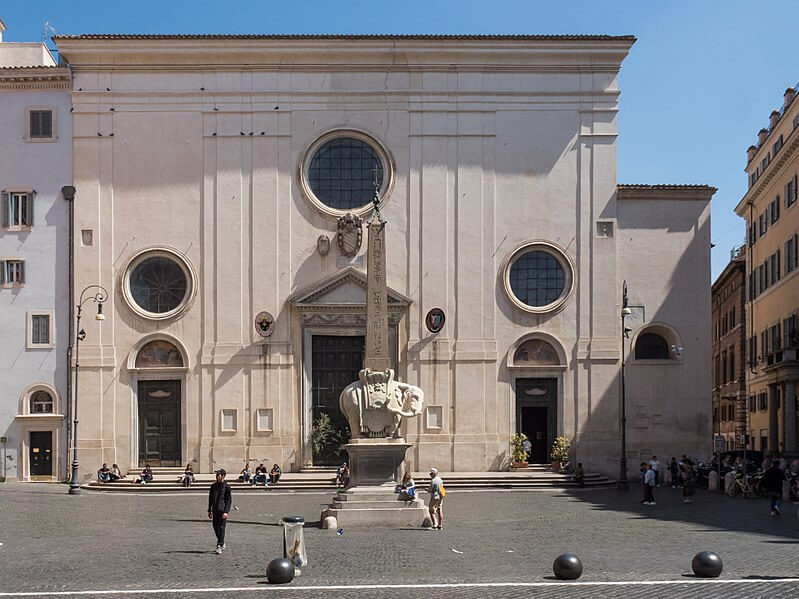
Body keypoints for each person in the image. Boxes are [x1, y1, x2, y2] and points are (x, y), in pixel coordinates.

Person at [208, 469, 232, 554]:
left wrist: (226, 511)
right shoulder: (213, 486)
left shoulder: (227, 487)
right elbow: (210, 498)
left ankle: (219, 545)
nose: (217, 476)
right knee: (215, 526)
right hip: (215, 509)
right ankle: (222, 543)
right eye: (216, 474)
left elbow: (228, 500)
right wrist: (209, 510)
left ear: (223, 476)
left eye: (218, 475)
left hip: (222, 510)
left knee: (222, 528)